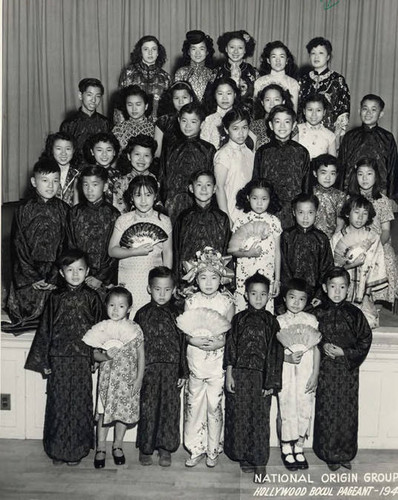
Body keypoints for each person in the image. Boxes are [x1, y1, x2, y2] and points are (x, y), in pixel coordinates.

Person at [24, 249, 103, 465]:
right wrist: (45, 361)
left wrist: (96, 357)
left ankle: (75, 451)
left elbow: (101, 330)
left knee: (80, 403)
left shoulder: (93, 297)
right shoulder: (54, 298)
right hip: (58, 358)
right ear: (61, 272)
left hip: (81, 359)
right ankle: (56, 450)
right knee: (58, 403)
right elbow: (45, 330)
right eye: (70, 270)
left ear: (87, 271)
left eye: (80, 269)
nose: (75, 274)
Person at [224, 272, 283, 481]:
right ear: (246, 295)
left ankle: (259, 462)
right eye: (254, 293)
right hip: (240, 375)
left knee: (259, 420)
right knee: (240, 416)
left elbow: (276, 354)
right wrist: (229, 374)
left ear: (269, 296)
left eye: (263, 294)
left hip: (261, 378)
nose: (258, 298)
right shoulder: (238, 319)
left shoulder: (272, 322)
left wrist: (271, 382)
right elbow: (230, 348)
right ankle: (244, 456)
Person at [313, 267, 372, 471]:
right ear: (324, 287)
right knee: (327, 410)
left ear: (348, 289)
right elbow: (309, 337)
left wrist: (345, 353)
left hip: (348, 373)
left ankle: (345, 453)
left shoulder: (355, 314)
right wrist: (322, 346)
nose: (337, 291)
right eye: (332, 286)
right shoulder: (318, 312)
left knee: (347, 413)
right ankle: (328, 453)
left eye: (342, 287)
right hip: (326, 371)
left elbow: (365, 340)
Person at [182, 247, 235, 468]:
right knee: (194, 404)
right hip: (195, 357)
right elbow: (185, 329)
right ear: (195, 278)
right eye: (203, 277)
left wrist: (222, 341)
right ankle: (195, 448)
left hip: (217, 359)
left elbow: (230, 332)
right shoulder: (191, 301)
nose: (209, 282)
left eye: (214, 277)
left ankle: (213, 449)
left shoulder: (227, 302)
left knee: (214, 404)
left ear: (221, 278)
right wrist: (191, 340)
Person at [5, 159, 69, 330]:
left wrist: (54, 276)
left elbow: (66, 245)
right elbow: (18, 245)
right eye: (45, 180)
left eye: (55, 181)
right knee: (26, 306)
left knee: (60, 311)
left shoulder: (65, 210)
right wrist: (33, 277)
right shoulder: (23, 209)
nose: (51, 186)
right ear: (34, 182)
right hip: (28, 272)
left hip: (55, 271)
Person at [85, 286, 144, 469]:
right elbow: (94, 354)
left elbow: (141, 355)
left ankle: (117, 445)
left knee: (122, 415)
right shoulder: (102, 328)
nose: (115, 310)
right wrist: (106, 356)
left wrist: (139, 378)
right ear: (106, 306)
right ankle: (100, 447)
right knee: (104, 413)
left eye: (121, 306)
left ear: (129, 308)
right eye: (112, 305)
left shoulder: (135, 329)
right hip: (108, 381)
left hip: (127, 380)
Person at [134, 267, 188, 467]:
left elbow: (184, 344)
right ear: (149, 289)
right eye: (158, 289)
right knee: (148, 408)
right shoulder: (141, 314)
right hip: (148, 369)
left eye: (167, 289)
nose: (162, 294)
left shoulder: (178, 314)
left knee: (170, 408)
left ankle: (166, 449)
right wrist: (137, 371)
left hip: (172, 369)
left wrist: (183, 370)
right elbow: (135, 345)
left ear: (174, 289)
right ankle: (146, 448)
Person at [108, 175, 172, 318]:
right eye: (138, 195)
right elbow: (112, 251)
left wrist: (167, 279)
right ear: (131, 197)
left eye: (148, 195)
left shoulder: (164, 221)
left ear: (155, 196)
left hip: (153, 278)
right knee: (128, 317)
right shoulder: (123, 220)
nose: (143, 200)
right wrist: (135, 251)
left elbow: (168, 252)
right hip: (128, 276)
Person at [276, 279, 320, 471]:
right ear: (284, 298)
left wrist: (315, 374)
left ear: (307, 301)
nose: (296, 302)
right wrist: (287, 359)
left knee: (304, 406)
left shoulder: (311, 320)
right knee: (286, 407)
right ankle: (286, 446)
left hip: (306, 369)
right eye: (292, 297)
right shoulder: (278, 321)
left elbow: (316, 348)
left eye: (302, 299)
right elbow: (275, 352)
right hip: (286, 370)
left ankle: (299, 446)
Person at [331, 195, 387, 328]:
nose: (360, 217)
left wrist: (367, 294)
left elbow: (376, 267)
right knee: (339, 323)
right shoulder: (337, 238)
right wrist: (352, 264)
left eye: (365, 213)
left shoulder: (373, 237)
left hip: (365, 291)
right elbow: (334, 268)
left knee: (369, 323)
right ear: (347, 213)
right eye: (356, 212)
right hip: (342, 291)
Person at [349, 159, 397, 306]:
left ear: (376, 176)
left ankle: (377, 301)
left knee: (388, 257)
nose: (364, 178)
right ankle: (353, 299)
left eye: (369, 174)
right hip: (355, 241)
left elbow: (386, 231)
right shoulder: (350, 199)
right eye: (360, 174)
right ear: (355, 177)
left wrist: (376, 247)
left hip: (378, 243)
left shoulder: (383, 201)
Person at [253, 105, 310, 228]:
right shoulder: (263, 151)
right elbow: (256, 182)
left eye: (287, 122)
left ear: (294, 125)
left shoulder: (302, 152)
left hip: (294, 214)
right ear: (271, 125)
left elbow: (306, 186)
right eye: (277, 122)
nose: (282, 126)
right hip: (268, 211)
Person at [229, 179, 282, 314]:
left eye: (264, 199)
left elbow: (277, 252)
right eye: (255, 198)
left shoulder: (274, 221)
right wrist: (248, 253)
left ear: (270, 199)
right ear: (248, 198)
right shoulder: (241, 220)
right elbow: (233, 251)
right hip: (244, 275)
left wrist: (277, 280)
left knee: (265, 312)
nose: (259, 203)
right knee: (242, 311)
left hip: (267, 274)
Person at [67, 165, 120, 296]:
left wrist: (100, 277)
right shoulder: (74, 213)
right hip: (79, 275)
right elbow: (70, 245)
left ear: (105, 186)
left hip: (105, 279)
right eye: (85, 185)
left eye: (95, 184)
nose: (89, 190)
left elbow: (115, 250)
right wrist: (80, 273)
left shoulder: (114, 215)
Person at [159, 102, 216, 223]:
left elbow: (212, 179)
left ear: (202, 124)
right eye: (184, 121)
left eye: (193, 122)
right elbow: (162, 176)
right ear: (178, 120)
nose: (188, 126)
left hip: (199, 202)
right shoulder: (170, 148)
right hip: (173, 204)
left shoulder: (208, 149)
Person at [173, 170, 230, 283]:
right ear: (191, 188)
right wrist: (176, 280)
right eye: (199, 185)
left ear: (214, 189)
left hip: (214, 280)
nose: (204, 189)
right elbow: (176, 250)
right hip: (188, 279)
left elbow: (226, 252)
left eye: (208, 185)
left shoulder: (222, 218)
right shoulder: (184, 217)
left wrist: (226, 281)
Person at [338, 94, 398, 200]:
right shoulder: (350, 136)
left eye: (373, 110)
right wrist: (341, 194)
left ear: (381, 114)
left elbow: (393, 169)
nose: (368, 113)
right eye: (365, 109)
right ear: (359, 111)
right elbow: (342, 167)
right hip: (352, 193)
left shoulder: (387, 138)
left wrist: (392, 198)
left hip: (379, 194)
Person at [281, 193, 334, 308]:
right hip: (291, 294)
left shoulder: (321, 238)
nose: (305, 217)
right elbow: (283, 267)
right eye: (301, 212)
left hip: (314, 296)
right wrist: (290, 291)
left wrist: (320, 295)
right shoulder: (287, 236)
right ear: (294, 213)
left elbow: (327, 268)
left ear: (316, 213)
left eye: (310, 212)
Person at [298, 37, 350, 147]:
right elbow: (298, 110)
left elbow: (343, 112)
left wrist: (336, 139)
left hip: (328, 135)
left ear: (328, 57)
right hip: (304, 135)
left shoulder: (337, 80)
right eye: (313, 53)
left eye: (321, 53)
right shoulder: (303, 80)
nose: (316, 57)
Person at [214, 106, 255, 226]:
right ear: (226, 130)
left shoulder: (249, 152)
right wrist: (227, 218)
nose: (241, 133)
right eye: (235, 128)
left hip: (248, 212)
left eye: (244, 127)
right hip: (230, 211)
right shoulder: (223, 154)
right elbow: (219, 188)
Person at [117, 35, 171, 121]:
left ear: (158, 53)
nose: (150, 53)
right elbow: (120, 105)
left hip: (157, 127)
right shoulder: (128, 73)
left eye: (153, 49)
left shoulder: (165, 77)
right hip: (131, 126)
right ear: (140, 52)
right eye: (146, 49)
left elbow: (168, 109)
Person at [60, 78, 110, 157]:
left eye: (98, 96)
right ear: (80, 95)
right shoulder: (69, 124)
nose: (93, 100)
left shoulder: (105, 123)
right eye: (89, 95)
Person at [111, 134, 158, 213]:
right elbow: (118, 209)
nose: (141, 159)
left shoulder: (156, 182)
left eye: (146, 155)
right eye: (137, 154)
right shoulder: (121, 183)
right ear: (129, 156)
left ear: (152, 158)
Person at [214, 30, 258, 105]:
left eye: (240, 48)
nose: (236, 51)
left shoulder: (253, 72)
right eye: (232, 47)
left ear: (245, 50)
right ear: (226, 49)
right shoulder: (217, 72)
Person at [155, 81, 196, 158]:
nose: (181, 102)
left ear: (191, 98)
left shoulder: (199, 120)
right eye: (176, 98)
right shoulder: (163, 121)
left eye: (184, 97)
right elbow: (157, 153)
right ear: (171, 100)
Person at [254, 41, 299, 111]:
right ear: (268, 60)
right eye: (274, 56)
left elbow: (294, 111)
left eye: (282, 56)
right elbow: (255, 109)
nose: (278, 60)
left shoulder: (293, 83)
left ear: (287, 60)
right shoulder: (259, 82)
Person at [82, 132, 122, 210]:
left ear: (114, 152)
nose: (104, 154)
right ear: (92, 152)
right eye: (99, 150)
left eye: (109, 150)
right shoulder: (85, 174)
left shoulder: (119, 176)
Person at [39, 132, 81, 206]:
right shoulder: (44, 173)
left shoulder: (79, 174)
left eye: (68, 149)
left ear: (74, 150)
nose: (63, 153)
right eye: (58, 149)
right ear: (51, 150)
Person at [173, 30, 216, 102]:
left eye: (201, 49)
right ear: (188, 52)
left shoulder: (212, 74)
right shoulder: (181, 72)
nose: (197, 52)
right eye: (193, 49)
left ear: (207, 51)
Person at [200, 77, 241, 150]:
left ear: (235, 95)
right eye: (220, 94)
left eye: (228, 93)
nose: (224, 98)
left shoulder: (240, 117)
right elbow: (204, 148)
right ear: (215, 95)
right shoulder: (209, 120)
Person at [311, 154, 346, 238]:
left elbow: (340, 222)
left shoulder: (340, 196)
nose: (328, 177)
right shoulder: (310, 192)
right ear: (315, 173)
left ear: (337, 175)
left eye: (332, 173)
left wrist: (333, 239)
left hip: (332, 237)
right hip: (311, 237)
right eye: (323, 172)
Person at [250, 84, 293, 150]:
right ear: (262, 102)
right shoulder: (255, 125)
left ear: (283, 101)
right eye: (268, 100)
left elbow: (296, 151)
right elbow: (251, 153)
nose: (272, 104)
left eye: (276, 99)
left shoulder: (290, 124)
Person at [294, 93, 337, 159]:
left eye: (318, 110)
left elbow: (332, 162)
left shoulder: (330, 136)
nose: (314, 114)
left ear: (324, 112)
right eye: (310, 110)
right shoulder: (296, 130)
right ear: (304, 111)